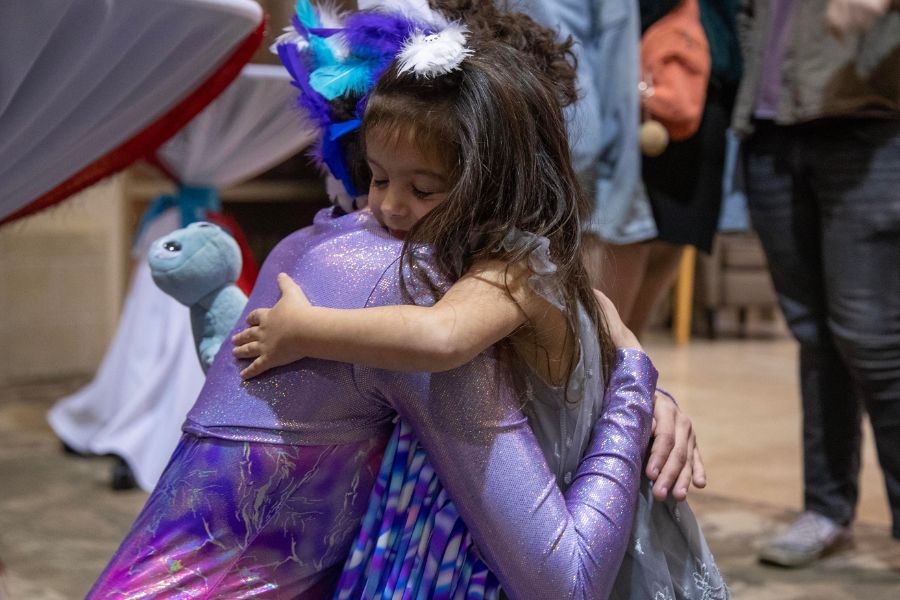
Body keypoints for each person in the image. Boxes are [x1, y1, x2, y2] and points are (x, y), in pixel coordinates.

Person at [87, 20, 694, 599]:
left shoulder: (349, 256)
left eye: (424, 189)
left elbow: (448, 333)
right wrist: (635, 387)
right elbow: (567, 582)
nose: (390, 208)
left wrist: (634, 374)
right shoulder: (416, 272)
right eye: (377, 179)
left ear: (497, 182)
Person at [733, 0, 900, 568]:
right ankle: (827, 510)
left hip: (868, 125)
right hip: (770, 130)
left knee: (873, 340)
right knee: (814, 336)